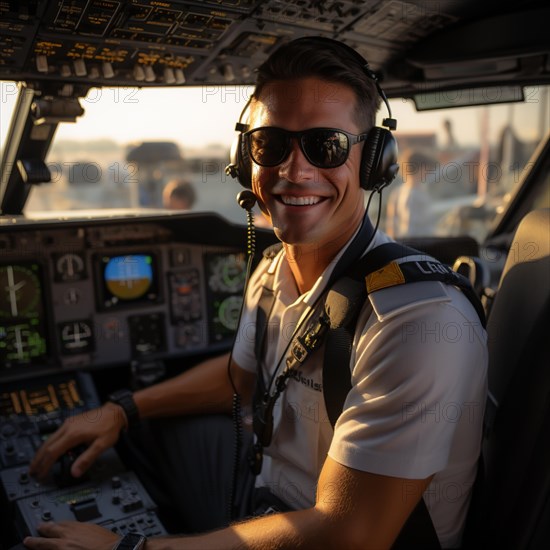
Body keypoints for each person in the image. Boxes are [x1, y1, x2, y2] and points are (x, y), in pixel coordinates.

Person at [24, 37, 487, 550]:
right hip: (270, 492)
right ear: (246, 159)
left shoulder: (417, 322)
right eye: (272, 145)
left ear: (374, 161)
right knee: (141, 433)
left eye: (325, 145)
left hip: (340, 532)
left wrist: (126, 549)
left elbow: (350, 534)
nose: (294, 170)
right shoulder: (270, 270)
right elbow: (240, 379)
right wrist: (121, 410)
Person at [386, 150, 435, 238]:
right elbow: (392, 225)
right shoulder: (402, 193)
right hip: (412, 243)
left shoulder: (398, 192)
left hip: (418, 242)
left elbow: (391, 224)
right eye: (427, 169)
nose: (428, 173)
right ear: (420, 168)